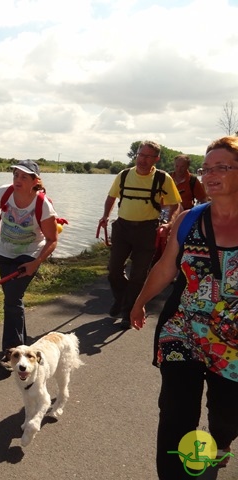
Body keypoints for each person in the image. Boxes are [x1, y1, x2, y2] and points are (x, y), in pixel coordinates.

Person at [130, 136, 238, 479]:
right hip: (183, 329)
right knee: (175, 412)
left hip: (233, 340)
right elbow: (165, 267)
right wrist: (139, 302)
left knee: (228, 415)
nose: (210, 174)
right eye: (206, 168)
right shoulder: (190, 219)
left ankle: (219, 442)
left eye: (222, 167)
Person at [0, 160, 59, 371]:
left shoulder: (42, 205)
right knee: (12, 299)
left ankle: (11, 353)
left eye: (23, 177)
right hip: (4, 251)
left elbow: (52, 239)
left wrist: (35, 263)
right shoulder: (3, 193)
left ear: (35, 181)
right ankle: (24, 347)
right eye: (15, 175)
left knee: (12, 299)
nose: (17, 180)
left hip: (30, 254)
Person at [96, 141, 181, 329]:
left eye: (148, 156)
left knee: (138, 275)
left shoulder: (162, 178)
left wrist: (169, 223)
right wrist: (105, 216)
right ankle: (122, 298)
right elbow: (111, 197)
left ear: (156, 159)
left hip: (147, 230)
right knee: (114, 270)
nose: (142, 160)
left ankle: (127, 312)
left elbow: (175, 204)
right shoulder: (124, 175)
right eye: (140, 155)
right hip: (123, 228)